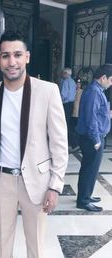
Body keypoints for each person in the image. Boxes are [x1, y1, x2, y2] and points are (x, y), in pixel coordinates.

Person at [0, 31, 68, 258]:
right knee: (1, 241)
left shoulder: (48, 91)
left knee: (36, 240)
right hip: (2, 180)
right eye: (6, 55)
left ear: (27, 57)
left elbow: (59, 143)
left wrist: (55, 185)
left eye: (17, 54)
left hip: (37, 181)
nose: (12, 61)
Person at [76, 64, 112, 212]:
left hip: (91, 137)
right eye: (111, 80)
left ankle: (86, 195)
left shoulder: (96, 90)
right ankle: (83, 200)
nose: (111, 83)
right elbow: (91, 119)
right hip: (91, 139)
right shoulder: (94, 92)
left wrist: (107, 115)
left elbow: (96, 114)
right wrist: (97, 140)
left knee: (90, 169)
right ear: (103, 78)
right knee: (89, 169)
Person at [59, 67, 77, 150]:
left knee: (64, 123)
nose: (62, 74)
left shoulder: (65, 82)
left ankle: (73, 142)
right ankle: (72, 142)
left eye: (63, 72)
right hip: (71, 104)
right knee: (68, 123)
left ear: (66, 73)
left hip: (65, 104)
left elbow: (64, 95)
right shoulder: (73, 81)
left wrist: (58, 101)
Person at [71, 78, 83, 151]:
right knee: (71, 129)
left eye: (79, 84)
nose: (77, 85)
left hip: (77, 113)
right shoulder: (72, 91)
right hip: (71, 112)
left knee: (76, 129)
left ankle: (77, 143)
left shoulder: (82, 92)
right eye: (76, 84)